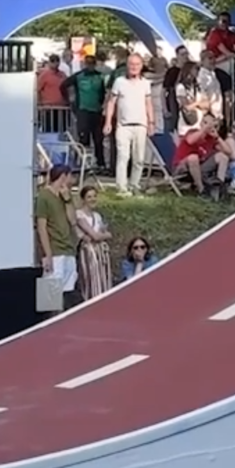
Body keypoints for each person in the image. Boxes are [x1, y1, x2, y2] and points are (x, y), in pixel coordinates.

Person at [105, 52, 153, 193]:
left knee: (139, 159)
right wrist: (108, 122)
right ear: (127, 66)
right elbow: (111, 102)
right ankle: (121, 187)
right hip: (123, 126)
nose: (134, 67)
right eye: (131, 64)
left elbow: (148, 103)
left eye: (137, 64)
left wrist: (151, 122)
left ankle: (134, 184)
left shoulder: (145, 83)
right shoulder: (119, 81)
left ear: (141, 66)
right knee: (123, 157)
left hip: (141, 125)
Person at [34, 165, 79, 305]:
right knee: (49, 300)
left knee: (67, 295)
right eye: (70, 176)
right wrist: (47, 254)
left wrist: (67, 200)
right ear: (63, 177)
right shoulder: (44, 196)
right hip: (54, 251)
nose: (72, 180)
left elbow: (72, 220)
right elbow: (42, 227)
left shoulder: (67, 195)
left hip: (68, 250)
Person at [65, 53, 110, 170]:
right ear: (84, 64)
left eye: (91, 64)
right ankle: (80, 163)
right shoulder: (78, 76)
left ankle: (100, 163)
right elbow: (63, 86)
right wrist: (70, 102)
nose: (89, 66)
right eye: (88, 64)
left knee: (98, 139)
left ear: (95, 65)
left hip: (96, 111)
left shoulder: (100, 76)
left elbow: (106, 91)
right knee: (83, 139)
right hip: (83, 111)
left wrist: (103, 104)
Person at [73, 184, 114, 300]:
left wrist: (102, 235)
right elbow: (95, 235)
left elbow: (105, 234)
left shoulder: (97, 216)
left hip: (100, 253)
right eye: (89, 197)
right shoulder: (79, 215)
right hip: (88, 252)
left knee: (103, 279)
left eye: (94, 196)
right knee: (91, 280)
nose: (92, 199)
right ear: (83, 199)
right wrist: (103, 236)